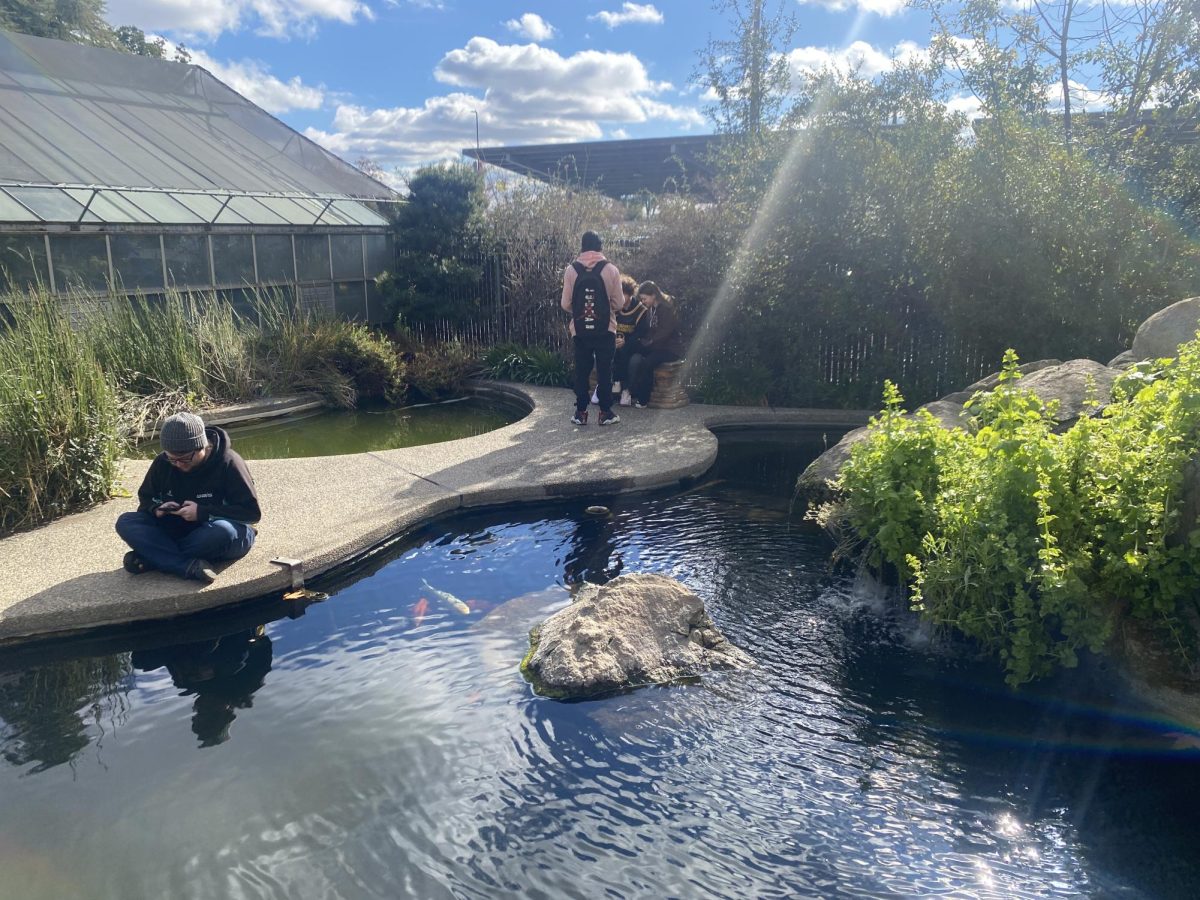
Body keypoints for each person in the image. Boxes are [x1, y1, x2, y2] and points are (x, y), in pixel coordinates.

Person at [116, 411, 261, 583]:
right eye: (172, 459)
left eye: (185, 459)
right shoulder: (163, 462)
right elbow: (146, 500)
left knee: (222, 532)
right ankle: (186, 566)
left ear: (202, 446)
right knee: (126, 522)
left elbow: (251, 513)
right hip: (180, 530)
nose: (178, 465)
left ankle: (154, 557)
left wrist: (202, 512)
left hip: (221, 532)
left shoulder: (229, 463)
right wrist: (157, 508)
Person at [560, 231, 624, 426]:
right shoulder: (611, 270)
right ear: (600, 246)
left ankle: (580, 413)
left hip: (580, 330)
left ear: (582, 246)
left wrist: (581, 311)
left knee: (582, 370)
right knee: (605, 371)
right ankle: (605, 413)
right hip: (606, 330)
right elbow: (619, 303)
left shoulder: (572, 270)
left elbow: (565, 304)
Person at [628, 281, 684, 408]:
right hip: (657, 346)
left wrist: (650, 342)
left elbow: (665, 331)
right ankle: (625, 389)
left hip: (670, 349)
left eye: (644, 298)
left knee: (648, 363)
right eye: (641, 299)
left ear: (653, 295)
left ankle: (643, 400)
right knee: (631, 348)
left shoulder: (666, 308)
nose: (643, 302)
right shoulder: (652, 308)